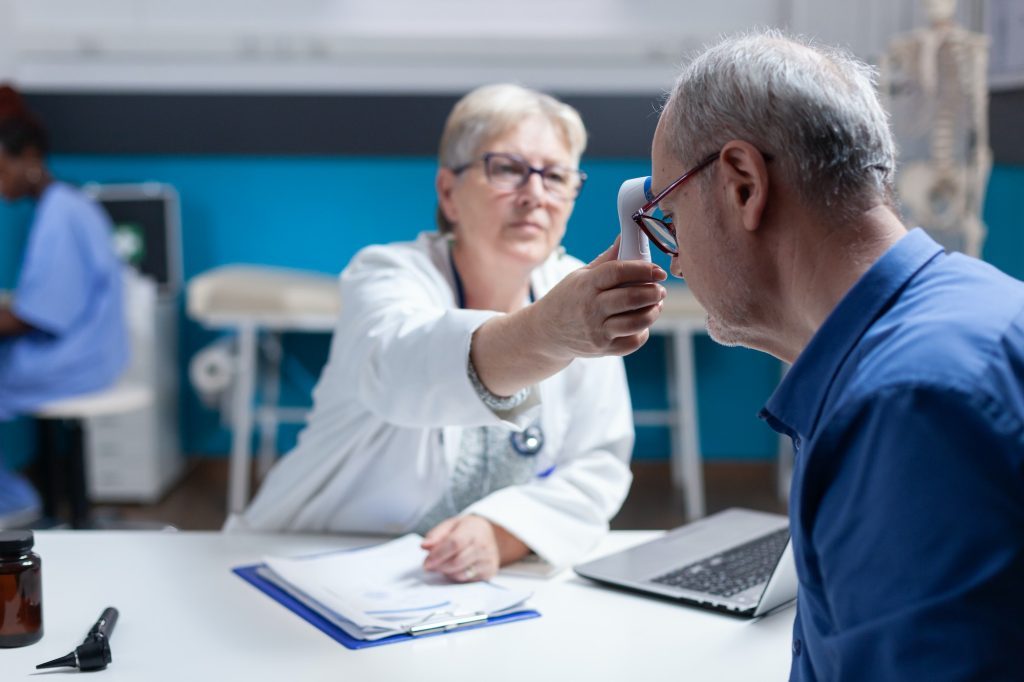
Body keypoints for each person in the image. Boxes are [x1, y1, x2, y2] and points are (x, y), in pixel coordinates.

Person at [638, 30, 1024, 680]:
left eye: (669, 217)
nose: (671, 259)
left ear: (741, 185)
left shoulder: (909, 407)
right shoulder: (975, 307)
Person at [227, 84, 667, 580]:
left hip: (464, 591)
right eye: (507, 168)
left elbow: (596, 467)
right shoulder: (387, 275)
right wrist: (549, 331)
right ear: (448, 192)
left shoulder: (574, 296)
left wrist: (500, 532)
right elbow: (398, 368)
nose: (535, 194)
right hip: (311, 563)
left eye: (556, 175)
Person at [0, 85, 128, 526]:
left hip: (77, 358)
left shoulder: (61, 214)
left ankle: (15, 505)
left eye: (0, 170)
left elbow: (39, 314)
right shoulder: (65, 205)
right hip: (92, 349)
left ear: (28, 157)